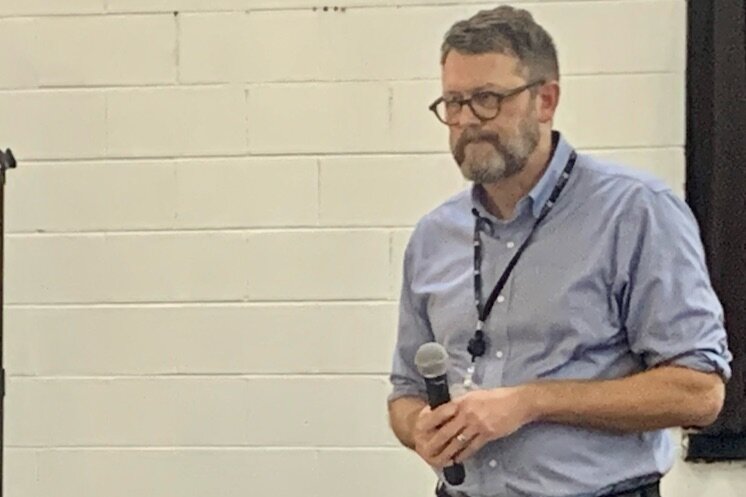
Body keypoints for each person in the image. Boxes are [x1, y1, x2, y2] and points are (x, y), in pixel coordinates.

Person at [386, 5, 732, 497]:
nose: (466, 121)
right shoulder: (433, 236)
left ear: (545, 100)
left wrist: (531, 402)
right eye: (453, 102)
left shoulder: (635, 213)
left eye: (486, 99)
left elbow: (699, 392)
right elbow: (404, 394)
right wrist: (419, 427)